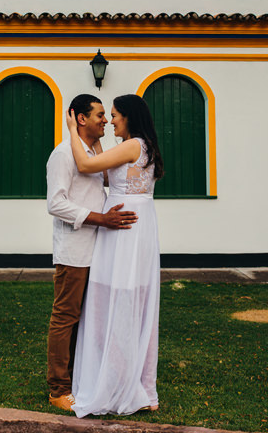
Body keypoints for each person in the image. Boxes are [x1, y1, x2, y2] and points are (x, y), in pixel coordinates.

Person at [65, 94, 165, 417]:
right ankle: (142, 383)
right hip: (134, 226)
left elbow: (85, 165)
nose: (111, 121)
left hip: (125, 232)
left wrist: (72, 130)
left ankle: (117, 377)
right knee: (131, 300)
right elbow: (106, 174)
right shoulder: (141, 147)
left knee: (118, 298)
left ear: (129, 118)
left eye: (115, 115)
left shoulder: (134, 144)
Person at [45, 93, 138, 412]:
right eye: (99, 114)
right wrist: (103, 219)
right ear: (80, 118)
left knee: (88, 320)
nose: (106, 120)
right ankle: (58, 389)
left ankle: (84, 379)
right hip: (75, 251)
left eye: (107, 115)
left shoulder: (91, 152)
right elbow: (55, 204)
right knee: (66, 317)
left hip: (99, 249)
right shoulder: (63, 155)